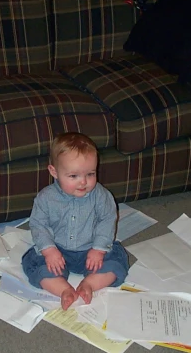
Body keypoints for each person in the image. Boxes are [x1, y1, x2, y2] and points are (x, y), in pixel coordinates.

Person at [22, 132, 129, 310]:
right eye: (73, 176)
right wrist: (49, 250)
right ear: (54, 172)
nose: (83, 182)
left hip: (91, 250)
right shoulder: (46, 198)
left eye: (90, 174)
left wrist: (99, 249)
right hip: (58, 251)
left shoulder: (101, 195)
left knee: (117, 261)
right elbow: (38, 224)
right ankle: (64, 289)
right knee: (33, 263)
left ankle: (89, 284)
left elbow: (107, 219)